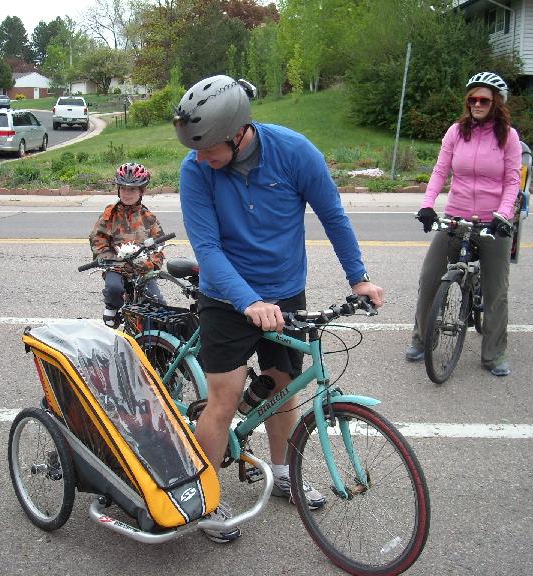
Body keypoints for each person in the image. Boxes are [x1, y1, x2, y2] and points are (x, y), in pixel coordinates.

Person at [172, 74, 384, 543]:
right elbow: (207, 248)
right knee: (224, 398)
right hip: (227, 297)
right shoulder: (196, 170)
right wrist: (247, 301)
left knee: (283, 389)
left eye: (208, 149)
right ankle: (200, 496)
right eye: (196, 150)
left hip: (285, 291)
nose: (200, 158)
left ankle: (284, 472)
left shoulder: (294, 152)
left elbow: (333, 215)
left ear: (238, 132)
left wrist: (359, 276)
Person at [405, 71, 521, 377]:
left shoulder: (508, 137)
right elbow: (440, 171)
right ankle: (420, 338)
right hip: (456, 217)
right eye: (473, 99)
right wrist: (427, 205)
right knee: (430, 277)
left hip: (492, 221)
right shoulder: (457, 131)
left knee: (497, 291)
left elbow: (512, 182)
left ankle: (493, 355)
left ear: (497, 102)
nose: (477, 104)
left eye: (484, 99)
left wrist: (503, 215)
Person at [89, 162, 166, 327]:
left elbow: (159, 245)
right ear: (118, 190)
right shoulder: (110, 215)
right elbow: (98, 239)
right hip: (117, 266)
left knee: (157, 301)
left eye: (132, 189)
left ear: (142, 191)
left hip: (141, 269)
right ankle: (112, 308)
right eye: (123, 188)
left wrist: (149, 264)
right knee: (114, 288)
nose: (127, 193)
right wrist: (110, 258)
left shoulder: (149, 218)